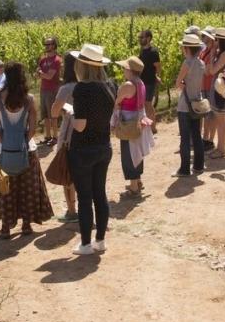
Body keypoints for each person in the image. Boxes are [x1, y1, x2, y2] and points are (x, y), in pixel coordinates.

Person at [0, 62, 54, 238]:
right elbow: (33, 128)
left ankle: (6, 227)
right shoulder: (28, 99)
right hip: (26, 149)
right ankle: (26, 225)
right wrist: (22, 141)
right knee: (28, 188)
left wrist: (3, 142)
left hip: (5, 150)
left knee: (6, 188)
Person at [67, 44, 115, 255]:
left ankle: (85, 244)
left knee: (85, 198)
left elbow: (80, 125)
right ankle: (100, 240)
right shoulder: (110, 86)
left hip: (83, 149)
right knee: (100, 194)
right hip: (104, 146)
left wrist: (69, 114)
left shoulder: (82, 89)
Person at [112, 56, 154, 195]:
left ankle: (134, 186)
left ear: (130, 70)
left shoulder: (128, 85)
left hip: (128, 123)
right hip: (138, 120)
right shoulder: (140, 83)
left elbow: (117, 101)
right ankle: (138, 181)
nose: (123, 70)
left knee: (129, 153)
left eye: (124, 68)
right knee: (137, 152)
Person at [50, 52, 79, 223]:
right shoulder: (87, 85)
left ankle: (71, 210)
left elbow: (54, 112)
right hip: (86, 132)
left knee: (68, 171)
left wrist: (63, 108)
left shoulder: (66, 89)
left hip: (69, 132)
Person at [172, 34, 205, 177]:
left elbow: (178, 83)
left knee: (185, 138)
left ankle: (184, 169)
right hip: (197, 103)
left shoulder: (187, 63)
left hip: (185, 105)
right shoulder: (201, 63)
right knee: (197, 135)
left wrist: (183, 85)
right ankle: (198, 166)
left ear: (186, 48)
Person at [207, 28, 225, 159]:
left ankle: (221, 149)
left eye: (216, 39)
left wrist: (212, 54)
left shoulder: (224, 54)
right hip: (219, 88)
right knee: (220, 120)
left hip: (221, 90)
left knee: (221, 121)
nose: (214, 41)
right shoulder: (224, 53)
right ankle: (219, 148)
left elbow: (212, 70)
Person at [36, 36, 62, 145]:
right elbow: (37, 74)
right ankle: (48, 136)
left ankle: (55, 137)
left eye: (48, 44)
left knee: (53, 115)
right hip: (43, 89)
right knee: (45, 115)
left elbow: (49, 76)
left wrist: (40, 73)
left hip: (52, 90)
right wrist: (40, 74)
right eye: (45, 44)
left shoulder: (57, 60)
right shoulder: (43, 59)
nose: (46, 46)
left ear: (54, 45)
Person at [138, 30, 161, 134]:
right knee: (146, 104)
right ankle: (150, 127)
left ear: (148, 38)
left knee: (148, 104)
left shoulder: (153, 52)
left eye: (142, 37)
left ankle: (153, 127)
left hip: (150, 82)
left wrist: (157, 77)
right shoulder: (142, 51)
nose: (140, 39)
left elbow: (158, 67)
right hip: (142, 82)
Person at [199, 26, 217, 151]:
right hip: (204, 85)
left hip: (210, 85)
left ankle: (210, 140)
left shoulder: (214, 52)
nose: (203, 38)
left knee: (211, 114)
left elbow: (208, 70)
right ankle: (206, 138)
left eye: (205, 36)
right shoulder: (204, 51)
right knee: (207, 114)